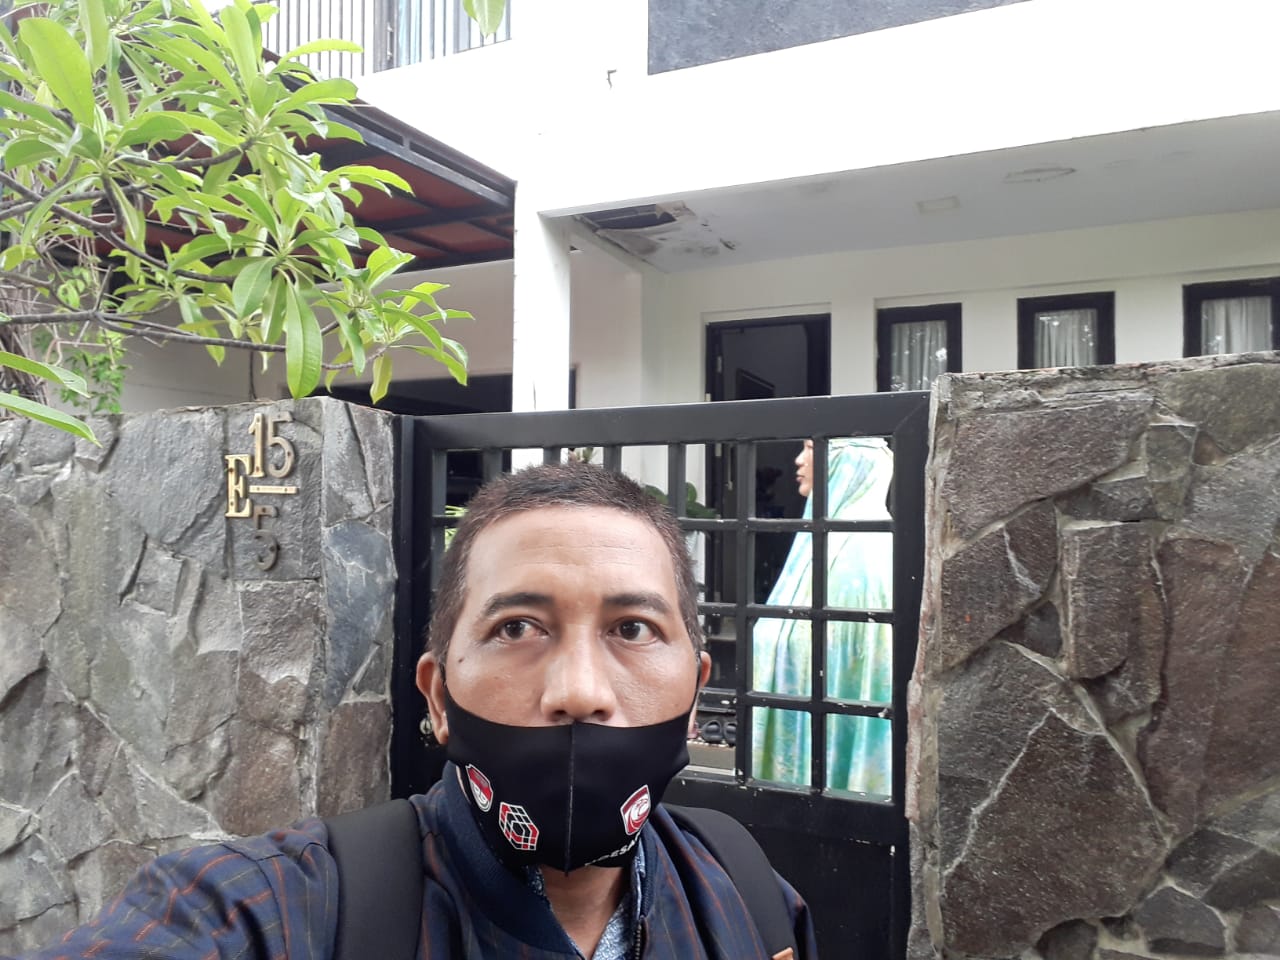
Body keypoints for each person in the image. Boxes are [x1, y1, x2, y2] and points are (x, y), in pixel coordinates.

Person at [10, 463, 816, 960]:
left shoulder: (751, 899)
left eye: (632, 629)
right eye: (517, 628)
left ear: (694, 693)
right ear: (436, 695)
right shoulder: (274, 912)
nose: (578, 690)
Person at [751, 438, 894, 795]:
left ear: (846, 462)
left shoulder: (861, 553)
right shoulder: (830, 542)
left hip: (823, 755)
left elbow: (844, 662)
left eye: (811, 449)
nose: (798, 460)